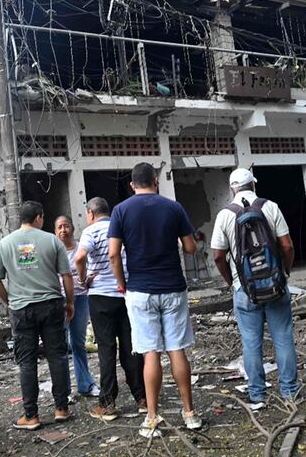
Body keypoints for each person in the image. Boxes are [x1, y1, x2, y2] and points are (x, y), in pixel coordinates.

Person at [108, 162, 201, 438]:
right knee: (177, 350)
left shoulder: (120, 210)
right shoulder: (173, 207)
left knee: (151, 353)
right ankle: (189, 414)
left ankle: (151, 417)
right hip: (172, 286)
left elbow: (114, 254)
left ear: (132, 185)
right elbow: (190, 247)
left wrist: (122, 283)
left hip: (139, 290)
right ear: (155, 181)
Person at [211, 168, 298, 409]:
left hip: (245, 288)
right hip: (275, 284)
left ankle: (257, 394)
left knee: (251, 342)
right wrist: (285, 271)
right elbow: (287, 246)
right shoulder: (271, 207)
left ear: (232, 189)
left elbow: (218, 256)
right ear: (254, 186)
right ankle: (290, 392)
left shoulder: (225, 214)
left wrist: (232, 281)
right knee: (283, 339)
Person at [0, 201, 75, 431]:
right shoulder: (52, 240)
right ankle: (61, 408)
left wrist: (9, 301)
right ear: (39, 217)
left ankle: (31, 415)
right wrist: (70, 302)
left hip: (22, 310)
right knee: (57, 356)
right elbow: (66, 275)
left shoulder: (4, 244)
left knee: (26, 361)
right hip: (51, 305)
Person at [74, 197, 146, 421]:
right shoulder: (121, 227)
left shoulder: (91, 231)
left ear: (91, 214)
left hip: (101, 297)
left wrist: (83, 278)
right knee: (131, 347)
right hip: (125, 294)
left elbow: (79, 257)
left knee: (106, 349)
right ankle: (142, 398)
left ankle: (107, 403)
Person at [54, 215, 98, 398]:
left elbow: (92, 268)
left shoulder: (82, 247)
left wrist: (87, 280)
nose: (63, 230)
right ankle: (63, 391)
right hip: (59, 300)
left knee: (77, 343)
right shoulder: (53, 250)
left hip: (80, 298)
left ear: (72, 228)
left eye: (66, 226)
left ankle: (85, 385)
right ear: (55, 231)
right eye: (59, 227)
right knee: (59, 345)